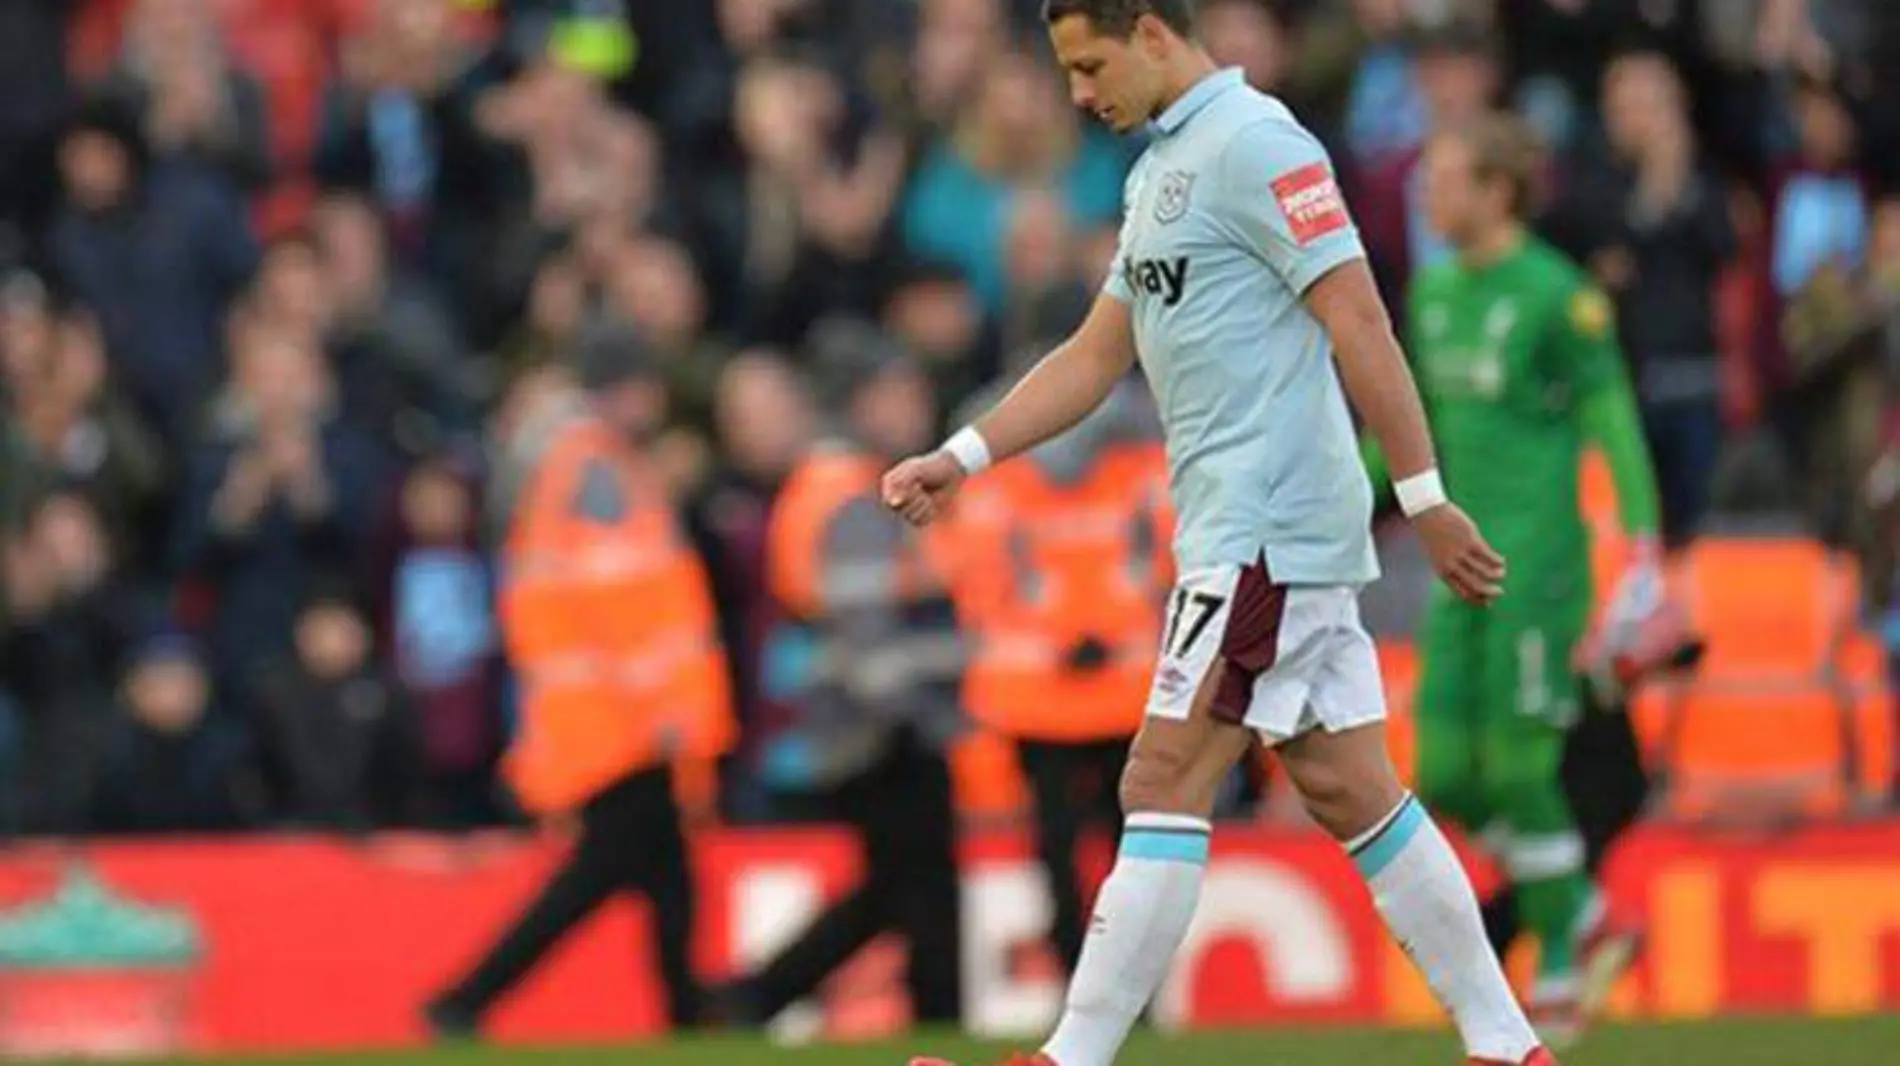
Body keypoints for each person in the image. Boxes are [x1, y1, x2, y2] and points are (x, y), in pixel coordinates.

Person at [885, 4, 1551, 1066]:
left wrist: (1423, 497)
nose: (1076, 93)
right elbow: (1097, 355)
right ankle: (1508, 1045)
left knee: (1161, 779)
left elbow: (1359, 317)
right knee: (1348, 786)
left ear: (1152, 34)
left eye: (1088, 64)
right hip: (1248, 531)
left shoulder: (1259, 144)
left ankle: (1069, 1059)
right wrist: (959, 457)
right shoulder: (1161, 170)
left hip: (1265, 528)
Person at [1392, 113, 1669, 1044]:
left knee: (1520, 768)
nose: (1429, 193)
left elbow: (1614, 416)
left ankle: (1554, 964)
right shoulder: (1430, 291)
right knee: (1437, 776)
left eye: (1446, 176)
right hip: (1453, 564)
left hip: (1536, 569)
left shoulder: (1557, 295)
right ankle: (1585, 910)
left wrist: (1640, 546)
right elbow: (1408, 427)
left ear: (1498, 191)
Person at [425, 326, 735, 1036]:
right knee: (601, 875)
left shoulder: (566, 465)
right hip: (620, 720)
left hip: (598, 714)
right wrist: (663, 709)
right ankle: (466, 999)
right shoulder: (599, 471)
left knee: (664, 872)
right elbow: (621, 601)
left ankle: (687, 1011)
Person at [712, 319, 965, 1029]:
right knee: (922, 893)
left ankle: (751, 999)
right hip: (880, 727)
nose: (915, 405)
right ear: (861, 401)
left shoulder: (822, 483)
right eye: (898, 390)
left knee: (897, 889)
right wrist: (921, 716)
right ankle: (935, 1021)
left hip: (858, 722)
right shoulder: (854, 491)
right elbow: (864, 624)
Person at [945, 378, 1170, 973]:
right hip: (1094, 699)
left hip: (1071, 701)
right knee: (1121, 851)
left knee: (1079, 850)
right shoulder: (1141, 467)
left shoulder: (1000, 480)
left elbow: (982, 594)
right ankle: (1111, 981)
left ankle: (1098, 981)